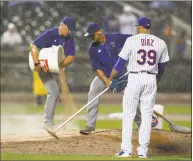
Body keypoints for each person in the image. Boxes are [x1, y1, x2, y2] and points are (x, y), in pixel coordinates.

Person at [79, 22, 157, 135]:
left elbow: (133, 40)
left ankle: (141, 124)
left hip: (121, 76)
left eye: (92, 35)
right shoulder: (92, 48)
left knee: (130, 100)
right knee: (93, 92)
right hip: (104, 77)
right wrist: (106, 80)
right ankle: (90, 125)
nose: (90, 38)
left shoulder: (115, 37)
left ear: (99, 32)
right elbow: (97, 68)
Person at [108, 17, 169, 158]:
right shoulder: (161, 42)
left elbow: (119, 64)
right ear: (149, 27)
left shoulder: (131, 40)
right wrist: (155, 80)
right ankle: (143, 151)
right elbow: (162, 67)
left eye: (137, 26)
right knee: (147, 116)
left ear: (140, 27)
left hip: (135, 77)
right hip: (151, 78)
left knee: (129, 115)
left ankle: (126, 150)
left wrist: (111, 79)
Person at [29, 17, 76, 130]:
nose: (70, 32)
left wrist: (61, 66)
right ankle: (47, 123)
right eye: (69, 29)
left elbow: (71, 56)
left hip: (54, 66)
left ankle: (48, 123)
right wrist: (36, 63)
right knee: (53, 92)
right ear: (63, 25)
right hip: (41, 66)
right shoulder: (50, 34)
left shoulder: (69, 38)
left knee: (54, 92)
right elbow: (33, 46)